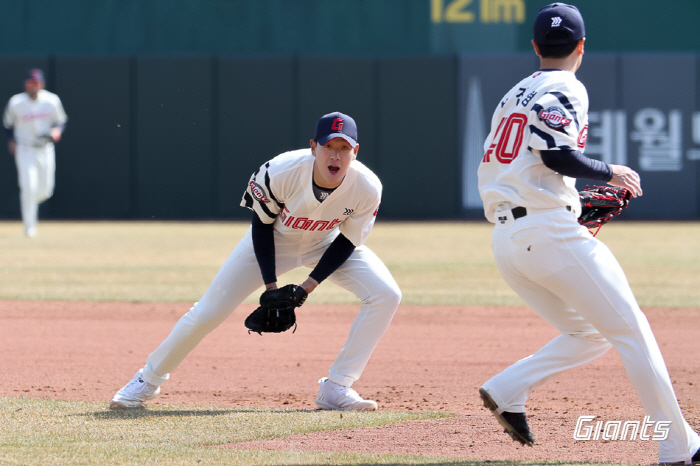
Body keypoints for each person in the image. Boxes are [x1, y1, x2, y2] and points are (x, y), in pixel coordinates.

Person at [476, 3, 700, 464]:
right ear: (581, 47)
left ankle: (508, 388)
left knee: (592, 332)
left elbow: (533, 160)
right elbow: (557, 156)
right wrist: (609, 170)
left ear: (536, 46)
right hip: (545, 229)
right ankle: (678, 447)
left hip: (508, 239)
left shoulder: (515, 92)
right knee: (633, 332)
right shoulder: (566, 85)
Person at [110, 111, 401, 411]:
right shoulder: (281, 170)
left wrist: (306, 288)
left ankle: (337, 387)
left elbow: (348, 241)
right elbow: (261, 226)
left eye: (344, 148)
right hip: (273, 239)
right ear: (314, 147)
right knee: (208, 312)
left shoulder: (367, 186)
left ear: (355, 151)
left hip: (324, 242)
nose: (336, 156)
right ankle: (147, 380)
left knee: (386, 294)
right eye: (329, 146)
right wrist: (271, 286)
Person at [3, 69, 67, 238]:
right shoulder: (16, 102)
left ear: (42, 84)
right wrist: (11, 140)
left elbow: (61, 121)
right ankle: (29, 227)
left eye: (36, 83)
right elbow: (8, 124)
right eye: (31, 83)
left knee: (45, 191)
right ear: (26, 84)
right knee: (29, 186)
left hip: (45, 148)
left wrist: (56, 131)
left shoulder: (51, 100)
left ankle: (30, 201)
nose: (34, 86)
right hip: (25, 148)